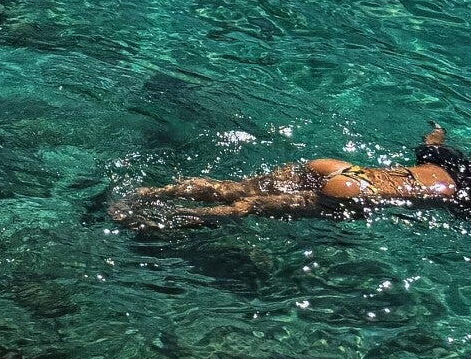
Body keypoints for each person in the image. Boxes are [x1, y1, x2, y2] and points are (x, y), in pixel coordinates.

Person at [117, 127, 471, 226]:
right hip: (355, 191)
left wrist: (437, 133)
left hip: (337, 167)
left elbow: (429, 145)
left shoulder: (454, 160)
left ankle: (147, 193)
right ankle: (169, 219)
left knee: (234, 188)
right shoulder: (466, 188)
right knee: (247, 207)